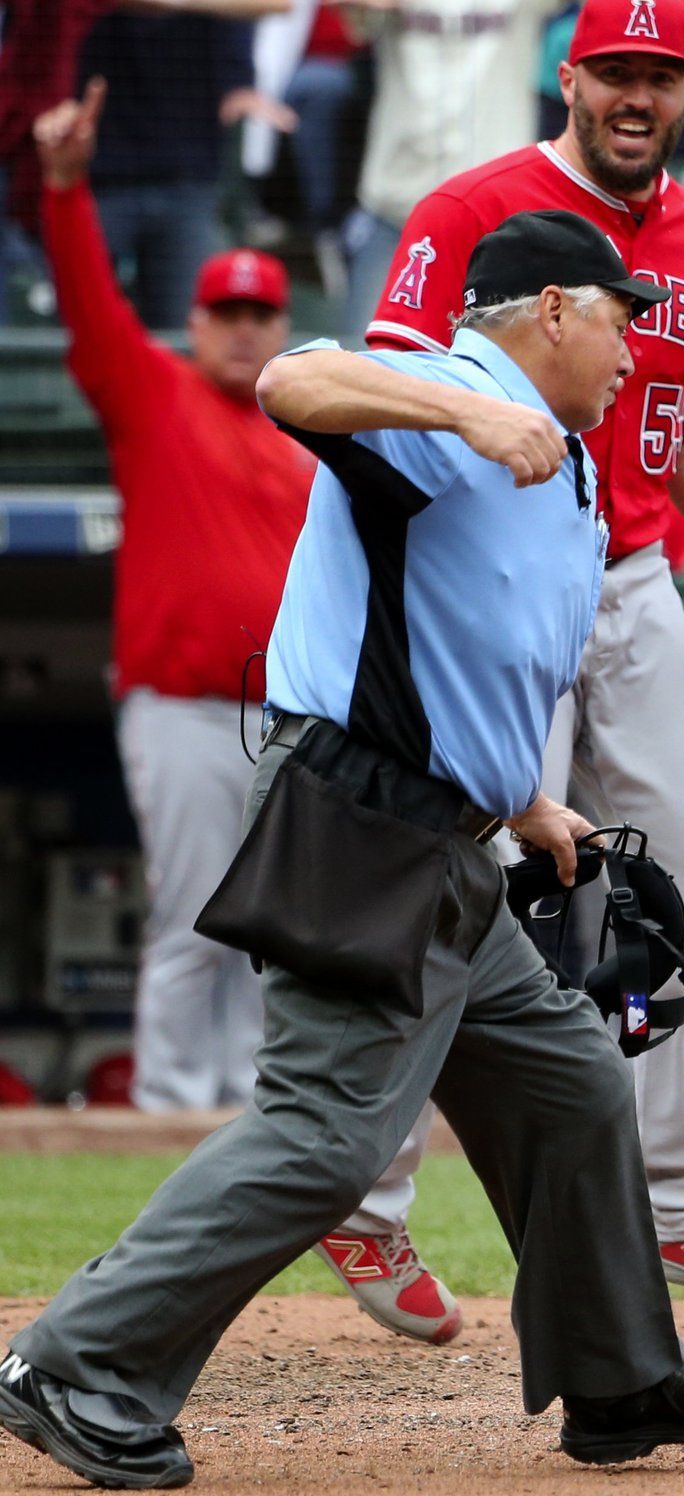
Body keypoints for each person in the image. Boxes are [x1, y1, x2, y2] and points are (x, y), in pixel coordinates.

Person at [0, 211, 684, 1492]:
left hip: (451, 838)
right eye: (617, 313)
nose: (633, 341)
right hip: (362, 819)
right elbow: (290, 380)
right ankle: (78, 1361)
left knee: (573, 1088)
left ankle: (618, 1377)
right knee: (326, 1133)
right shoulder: (460, 395)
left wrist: (528, 803)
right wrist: (466, 415)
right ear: (549, 310)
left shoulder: (566, 454)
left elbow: (470, 642)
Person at [333, 0, 684, 1342]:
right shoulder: (471, 205)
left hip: (641, 573)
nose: (637, 94)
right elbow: (377, 393)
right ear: (570, 74)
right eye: (617, 69)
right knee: (470, 886)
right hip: (500, 578)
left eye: (663, 75)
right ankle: (364, 1197)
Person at [32, 78, 315, 1112]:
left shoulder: (309, 432)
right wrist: (65, 191)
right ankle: (166, 1103)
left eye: (260, 313)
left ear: (285, 324)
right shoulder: (155, 390)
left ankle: (252, 1108)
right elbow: (91, 304)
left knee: (273, 923)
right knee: (197, 910)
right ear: (194, 322)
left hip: (285, 718)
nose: (242, 330)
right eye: (225, 312)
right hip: (187, 702)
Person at [338, 0, 555, 338]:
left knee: (501, 370)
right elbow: (353, 23)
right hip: (397, 212)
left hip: (499, 219)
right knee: (371, 361)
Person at [72, 4, 260, 326]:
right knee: (86, 325)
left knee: (187, 335)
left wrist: (238, 81)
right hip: (100, 172)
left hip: (188, 174)